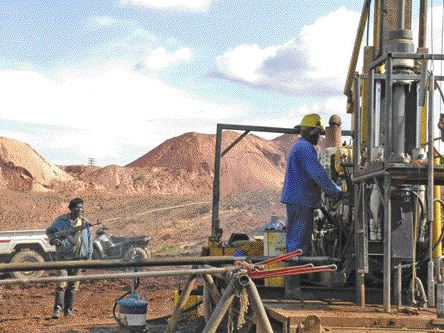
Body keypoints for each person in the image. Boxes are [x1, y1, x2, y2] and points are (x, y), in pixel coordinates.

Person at [281, 114, 344, 298]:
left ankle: (293, 287)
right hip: (301, 201)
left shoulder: (300, 146)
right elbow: (318, 174)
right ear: (311, 132)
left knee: (297, 241)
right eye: (318, 133)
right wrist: (337, 191)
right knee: (298, 243)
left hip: (299, 200)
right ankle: (292, 289)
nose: (319, 137)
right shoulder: (305, 148)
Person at [46, 197, 93, 318]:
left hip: (78, 259)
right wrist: (55, 240)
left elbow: (89, 240)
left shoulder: (85, 223)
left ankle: (68, 311)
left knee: (73, 286)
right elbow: (50, 232)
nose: (80, 210)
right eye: (77, 207)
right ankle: (57, 310)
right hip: (63, 258)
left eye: (82, 208)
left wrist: (88, 257)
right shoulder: (61, 221)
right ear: (71, 208)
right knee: (61, 284)